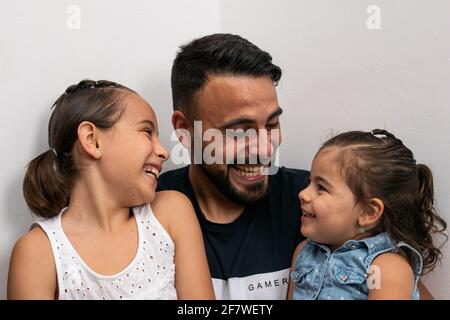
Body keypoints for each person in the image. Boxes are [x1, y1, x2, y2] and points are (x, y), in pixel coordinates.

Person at [7, 80, 214, 300]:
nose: (164, 151)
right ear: (92, 140)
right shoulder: (38, 252)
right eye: (147, 131)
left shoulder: (171, 213)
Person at [157, 33, 310, 299]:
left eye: (272, 125)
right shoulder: (146, 209)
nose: (264, 150)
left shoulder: (313, 203)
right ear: (184, 130)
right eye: (240, 131)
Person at [288, 129, 447, 300]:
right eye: (310, 182)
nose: (303, 193)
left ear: (368, 212)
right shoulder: (303, 252)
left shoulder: (386, 268)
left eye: (321, 187)